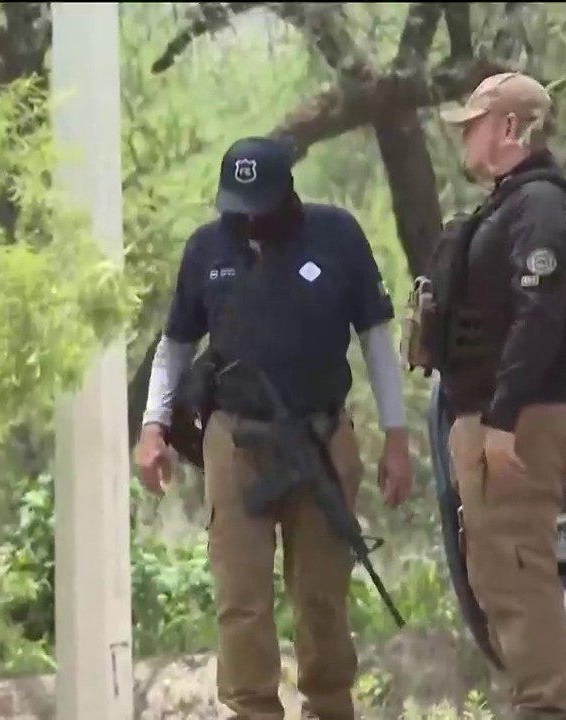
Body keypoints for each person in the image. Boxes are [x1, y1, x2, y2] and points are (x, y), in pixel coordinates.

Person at [133, 136, 413, 720]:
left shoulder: (336, 236)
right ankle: (253, 710)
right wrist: (153, 426)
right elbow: (175, 346)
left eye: (258, 204)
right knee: (241, 599)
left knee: (321, 595)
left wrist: (396, 437)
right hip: (235, 441)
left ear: (286, 193)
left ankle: (329, 706)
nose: (248, 217)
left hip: (320, 439)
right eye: (237, 205)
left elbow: (376, 341)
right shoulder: (207, 247)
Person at [430, 72, 566, 719]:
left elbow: (540, 314)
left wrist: (503, 417)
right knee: (502, 573)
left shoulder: (540, 207)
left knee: (516, 570)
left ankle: (545, 711)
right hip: (504, 414)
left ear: (509, 127)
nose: (463, 137)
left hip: (521, 419)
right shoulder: (516, 205)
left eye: (473, 124)